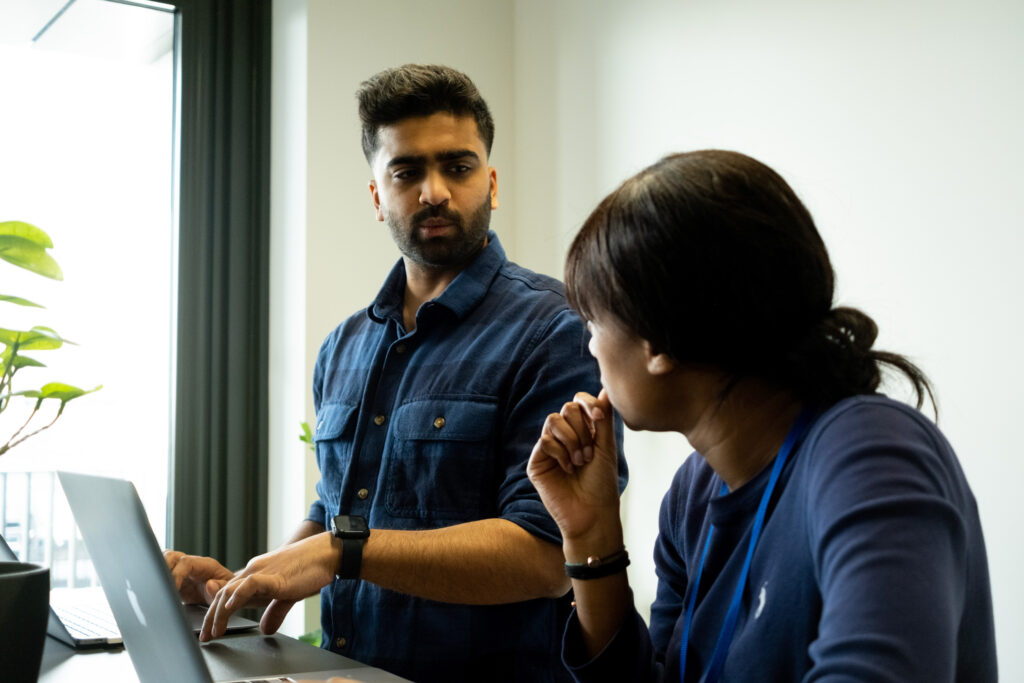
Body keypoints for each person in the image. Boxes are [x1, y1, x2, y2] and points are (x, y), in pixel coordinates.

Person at [164, 64, 625, 683]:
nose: (433, 191)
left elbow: (548, 555)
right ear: (378, 198)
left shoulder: (555, 330)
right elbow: (337, 506)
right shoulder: (343, 346)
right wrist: (246, 578)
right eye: (406, 172)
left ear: (490, 184)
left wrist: (340, 552)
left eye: (457, 167)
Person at [527, 150, 997, 682]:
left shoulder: (872, 452)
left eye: (593, 321)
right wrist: (591, 540)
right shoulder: (693, 495)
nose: (590, 346)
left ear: (657, 341)